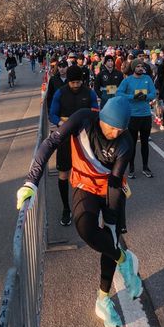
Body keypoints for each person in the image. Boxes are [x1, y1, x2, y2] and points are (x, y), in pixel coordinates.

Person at [16, 96, 142, 327]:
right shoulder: (84, 119)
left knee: (110, 237)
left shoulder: (125, 142)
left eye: (120, 129)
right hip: (84, 184)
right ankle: (124, 259)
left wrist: (113, 218)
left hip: (110, 188)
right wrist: (31, 182)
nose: (114, 133)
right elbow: (51, 142)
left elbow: (115, 182)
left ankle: (103, 299)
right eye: (111, 127)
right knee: (85, 228)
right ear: (102, 117)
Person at [49, 65, 99, 225]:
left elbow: (95, 110)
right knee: (64, 174)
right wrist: (62, 122)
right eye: (73, 83)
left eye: (78, 82)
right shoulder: (61, 92)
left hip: (85, 139)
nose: (76, 85)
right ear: (68, 81)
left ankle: (87, 207)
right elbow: (52, 114)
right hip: (65, 138)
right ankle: (66, 208)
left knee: (87, 173)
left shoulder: (89, 92)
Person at [117, 59, 156, 178]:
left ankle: (145, 167)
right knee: (132, 144)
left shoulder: (147, 79)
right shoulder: (128, 80)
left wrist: (146, 96)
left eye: (142, 66)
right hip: (132, 116)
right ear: (133, 68)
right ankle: (131, 168)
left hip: (145, 115)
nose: (140, 68)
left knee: (145, 143)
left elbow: (153, 93)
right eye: (138, 66)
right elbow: (118, 93)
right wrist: (132, 96)